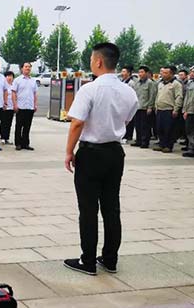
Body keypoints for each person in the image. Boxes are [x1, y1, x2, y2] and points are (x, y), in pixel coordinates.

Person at [63, 43, 137, 276]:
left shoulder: (90, 89)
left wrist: (69, 151)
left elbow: (77, 122)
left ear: (98, 61)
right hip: (115, 153)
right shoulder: (129, 91)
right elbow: (126, 120)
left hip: (91, 153)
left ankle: (88, 261)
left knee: (88, 209)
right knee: (111, 207)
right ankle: (110, 259)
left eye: (91, 59)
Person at [153, 66, 183, 153]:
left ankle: (168, 146)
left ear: (171, 74)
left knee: (168, 129)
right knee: (160, 128)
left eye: (166, 73)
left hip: (169, 109)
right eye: (163, 73)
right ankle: (162, 144)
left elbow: (179, 97)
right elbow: (157, 96)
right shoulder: (160, 83)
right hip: (160, 109)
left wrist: (176, 109)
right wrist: (156, 106)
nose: (163, 74)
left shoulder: (176, 84)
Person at [12, 62, 38, 151]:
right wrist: (15, 104)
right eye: (26, 67)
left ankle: (25, 144)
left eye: (29, 67)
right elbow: (13, 93)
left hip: (30, 107)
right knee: (19, 126)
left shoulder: (33, 80)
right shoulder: (17, 80)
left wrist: (35, 104)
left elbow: (35, 93)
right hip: (20, 107)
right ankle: (18, 143)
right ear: (22, 68)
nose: (28, 68)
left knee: (27, 126)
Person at [131, 66, 157, 149]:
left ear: (146, 73)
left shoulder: (150, 83)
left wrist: (150, 107)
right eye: (139, 72)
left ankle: (145, 142)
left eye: (142, 72)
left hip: (145, 107)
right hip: (138, 107)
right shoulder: (137, 83)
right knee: (137, 125)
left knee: (145, 126)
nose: (140, 74)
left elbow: (152, 95)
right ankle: (138, 140)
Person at [120, 65, 136, 144]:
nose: (122, 73)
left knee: (129, 121)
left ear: (129, 73)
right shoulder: (122, 81)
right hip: (122, 104)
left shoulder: (131, 83)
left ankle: (128, 136)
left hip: (128, 104)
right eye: (122, 71)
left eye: (124, 71)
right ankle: (124, 135)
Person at [0, 71, 15, 145]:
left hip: (11, 107)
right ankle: (2, 137)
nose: (9, 78)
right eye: (8, 76)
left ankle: (6, 138)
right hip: (4, 107)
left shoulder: (14, 86)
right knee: (3, 123)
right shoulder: (3, 86)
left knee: (9, 123)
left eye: (11, 76)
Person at [183, 67, 194, 158]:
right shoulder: (190, 83)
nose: (192, 73)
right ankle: (191, 148)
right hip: (190, 111)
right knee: (189, 130)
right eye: (191, 72)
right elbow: (187, 98)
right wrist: (185, 110)